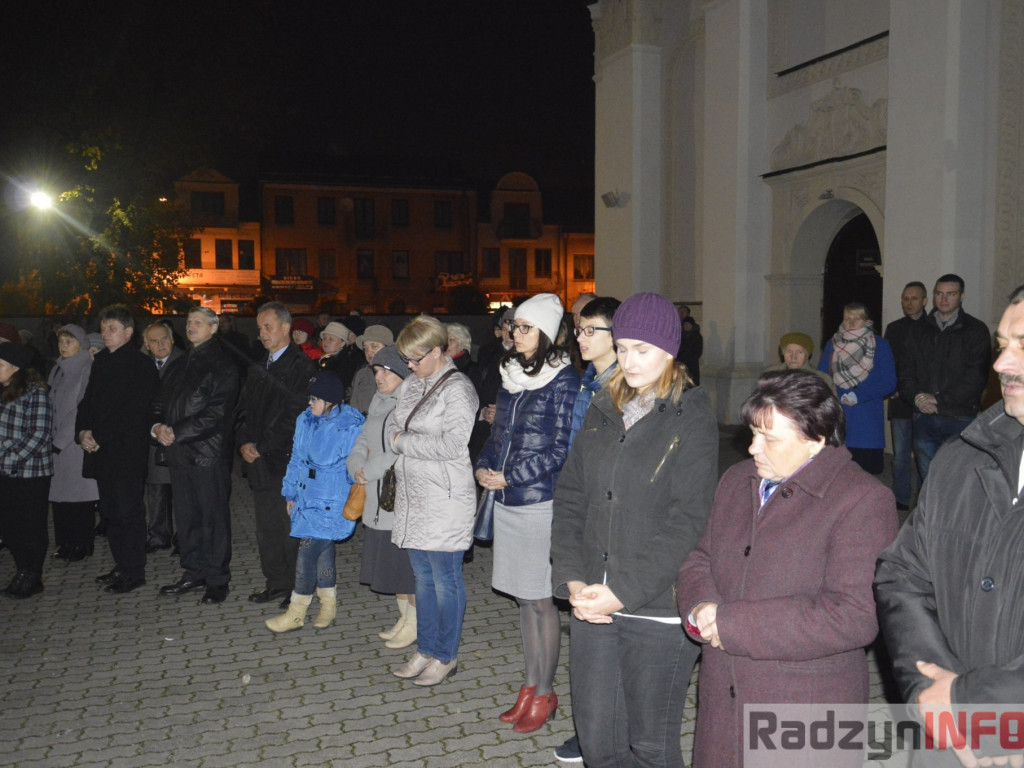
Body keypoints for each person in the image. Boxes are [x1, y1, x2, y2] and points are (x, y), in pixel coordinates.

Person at [677, 370, 897, 768]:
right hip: (723, 698)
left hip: (803, 707)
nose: (753, 448)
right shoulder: (737, 480)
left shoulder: (863, 500)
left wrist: (731, 624)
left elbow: (854, 615)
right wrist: (699, 610)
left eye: (769, 438)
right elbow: (700, 558)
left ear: (815, 439)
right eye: (753, 433)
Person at [551, 292, 719, 767]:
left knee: (650, 747)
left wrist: (620, 591)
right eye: (622, 347)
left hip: (656, 608)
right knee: (599, 741)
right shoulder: (602, 409)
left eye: (642, 349)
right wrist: (573, 579)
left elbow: (689, 520)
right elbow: (569, 500)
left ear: (669, 352)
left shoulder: (693, 416)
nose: (629, 360)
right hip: (593, 605)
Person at [874, 284, 1024, 768]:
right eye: (1003, 346)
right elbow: (902, 574)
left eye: (1023, 346)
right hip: (946, 735)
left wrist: (980, 704)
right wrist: (930, 689)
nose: (1001, 365)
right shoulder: (963, 459)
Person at [475, 293, 579, 733]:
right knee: (521, 598)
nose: (516, 334)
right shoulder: (512, 374)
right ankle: (529, 684)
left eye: (525, 327)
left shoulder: (563, 379)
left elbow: (561, 449)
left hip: (538, 500)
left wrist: (511, 475)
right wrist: (482, 463)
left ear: (548, 332)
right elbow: (500, 433)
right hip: (508, 499)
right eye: (514, 326)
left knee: (539, 600)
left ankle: (545, 691)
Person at [388, 316, 479, 687]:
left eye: (416, 358)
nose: (409, 365)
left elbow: (452, 445)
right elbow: (394, 424)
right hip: (414, 497)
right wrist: (398, 439)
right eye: (406, 358)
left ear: (439, 351)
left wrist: (402, 443)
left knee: (445, 580)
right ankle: (425, 648)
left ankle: (445, 654)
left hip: (445, 497)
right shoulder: (413, 383)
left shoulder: (458, 388)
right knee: (422, 578)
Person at [552, 295, 619, 763]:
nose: (581, 336)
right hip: (584, 510)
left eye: (591, 329)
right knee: (589, 632)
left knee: (605, 633)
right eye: (578, 328)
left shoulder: (621, 386)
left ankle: (604, 733)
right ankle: (596, 728)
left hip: (608, 520)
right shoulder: (589, 382)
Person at [265, 371, 364, 631]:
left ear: (331, 400)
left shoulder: (350, 425)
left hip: (332, 499)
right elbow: (297, 457)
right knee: (323, 553)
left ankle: (296, 612)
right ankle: (328, 607)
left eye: (315, 398)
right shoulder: (305, 419)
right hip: (307, 495)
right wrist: (290, 493)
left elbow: (353, 466)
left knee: (307, 552)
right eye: (310, 398)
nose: (310, 403)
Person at [154, 308, 240, 605]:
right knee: (187, 518)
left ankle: (217, 579)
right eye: (189, 322)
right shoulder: (180, 364)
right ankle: (194, 571)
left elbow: (217, 413)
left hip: (207, 455)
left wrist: (177, 431)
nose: (191, 327)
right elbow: (160, 402)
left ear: (214, 328)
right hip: (179, 454)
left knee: (212, 518)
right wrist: (157, 427)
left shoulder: (222, 365)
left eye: (198, 323)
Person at [235, 302, 316, 607]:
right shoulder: (258, 366)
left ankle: (299, 588)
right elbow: (241, 409)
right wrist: (243, 441)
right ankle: (276, 582)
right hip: (259, 462)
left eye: (268, 327)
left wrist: (262, 445)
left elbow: (294, 414)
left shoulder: (302, 367)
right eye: (259, 328)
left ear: (286, 328)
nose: (262, 333)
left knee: (289, 527)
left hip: (284, 460)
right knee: (267, 527)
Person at [76, 304, 160, 594]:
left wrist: (100, 435)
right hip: (101, 449)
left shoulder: (140, 365)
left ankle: (134, 570)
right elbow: (88, 400)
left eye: (112, 329)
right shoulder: (100, 362)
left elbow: (134, 413)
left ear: (128, 332)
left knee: (128, 512)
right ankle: (120, 564)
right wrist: (83, 431)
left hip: (125, 451)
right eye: (103, 328)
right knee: (110, 512)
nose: (105, 334)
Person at [347, 346, 417, 647]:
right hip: (376, 495)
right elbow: (364, 436)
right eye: (376, 371)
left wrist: (369, 470)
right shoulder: (379, 400)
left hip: (396, 494)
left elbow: (399, 448)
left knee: (404, 565)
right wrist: (355, 465)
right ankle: (404, 618)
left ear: (402, 372)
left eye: (386, 370)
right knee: (391, 563)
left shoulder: (409, 403)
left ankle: (415, 622)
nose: (380, 376)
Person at [898, 274, 992, 479]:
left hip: (959, 416)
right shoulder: (918, 330)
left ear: (962, 296)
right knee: (928, 479)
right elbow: (905, 370)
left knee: (958, 478)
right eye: (939, 293)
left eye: (951, 294)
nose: (944, 299)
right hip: (923, 415)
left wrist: (939, 400)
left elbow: (976, 377)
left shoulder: (976, 330)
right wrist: (916, 397)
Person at [0, 343, 53, 598]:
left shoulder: (36, 393)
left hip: (31, 473)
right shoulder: (3, 391)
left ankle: (32, 575)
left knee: (31, 526)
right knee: (10, 526)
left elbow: (39, 435)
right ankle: (21, 570)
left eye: (0, 364)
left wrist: (10, 456)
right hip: (6, 471)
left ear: (16, 368)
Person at [818, 302, 897, 474]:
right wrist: (838, 395)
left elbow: (889, 382)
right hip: (838, 417)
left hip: (866, 420)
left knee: (865, 477)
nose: (851, 323)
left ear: (867, 321)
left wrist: (858, 395)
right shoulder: (832, 345)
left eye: (857, 319)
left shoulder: (880, 345)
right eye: (847, 319)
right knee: (835, 477)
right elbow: (823, 379)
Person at [48, 324, 99, 562]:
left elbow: (80, 409)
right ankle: (65, 542)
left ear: (82, 344)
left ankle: (82, 542)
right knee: (59, 497)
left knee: (79, 497)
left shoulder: (87, 368)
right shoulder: (57, 370)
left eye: (69, 341)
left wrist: (61, 440)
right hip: (55, 444)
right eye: (61, 341)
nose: (64, 346)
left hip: (74, 443)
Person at [884, 281, 928, 511]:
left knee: (924, 453)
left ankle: (923, 500)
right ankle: (900, 498)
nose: (908, 303)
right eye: (905, 299)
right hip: (901, 398)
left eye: (913, 298)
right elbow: (888, 363)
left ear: (924, 301)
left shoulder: (933, 326)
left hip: (925, 399)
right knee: (900, 454)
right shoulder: (893, 328)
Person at [142, 321, 184, 554]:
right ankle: (158, 535)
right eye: (154, 341)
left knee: (180, 490)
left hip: (178, 436)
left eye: (164, 339)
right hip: (152, 434)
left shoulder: (185, 362)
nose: (160, 344)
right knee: (156, 488)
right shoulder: (143, 365)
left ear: (172, 339)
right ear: (147, 345)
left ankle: (183, 536)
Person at [764, 331, 836, 394]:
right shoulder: (770, 376)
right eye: (789, 352)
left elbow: (832, 407)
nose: (793, 357)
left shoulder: (822, 379)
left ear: (807, 355)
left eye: (799, 352)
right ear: (783, 353)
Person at [349, 325, 394, 415]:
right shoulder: (362, 374)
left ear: (388, 349)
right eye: (365, 348)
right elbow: (352, 406)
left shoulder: (397, 375)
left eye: (374, 346)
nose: (369, 352)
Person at [675, 304, 704, 385]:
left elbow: (698, 351)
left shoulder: (696, 336)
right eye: (679, 312)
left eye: (683, 312)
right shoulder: (679, 334)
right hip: (680, 364)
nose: (681, 314)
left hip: (691, 365)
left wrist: (689, 358)